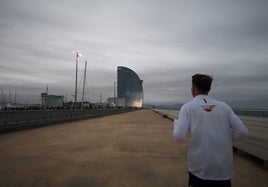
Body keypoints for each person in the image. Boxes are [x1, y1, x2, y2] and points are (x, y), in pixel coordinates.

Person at [173, 74, 248, 187]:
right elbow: (242, 131)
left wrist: (176, 124)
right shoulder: (224, 106)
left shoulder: (187, 107)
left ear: (193, 88)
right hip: (223, 170)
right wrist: (226, 138)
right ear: (209, 88)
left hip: (199, 169)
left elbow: (179, 136)